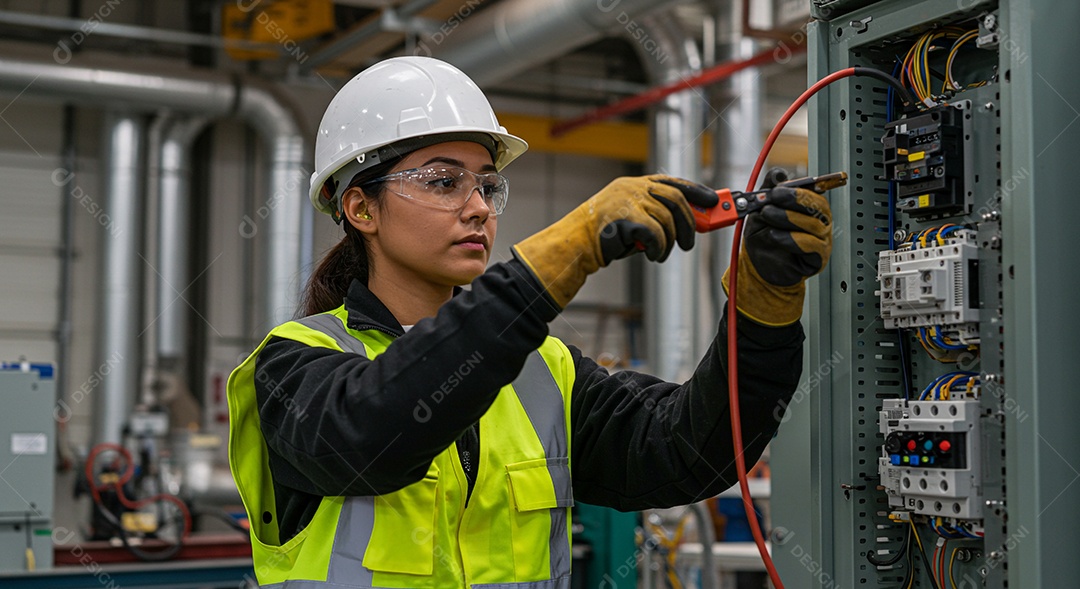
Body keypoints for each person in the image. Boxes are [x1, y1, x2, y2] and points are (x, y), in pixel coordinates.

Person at [227, 56, 831, 588]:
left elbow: (692, 452)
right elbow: (372, 437)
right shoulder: (295, 365)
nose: (479, 207)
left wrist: (763, 305)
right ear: (359, 206)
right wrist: (561, 255)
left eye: (489, 186)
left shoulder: (547, 373)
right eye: (444, 182)